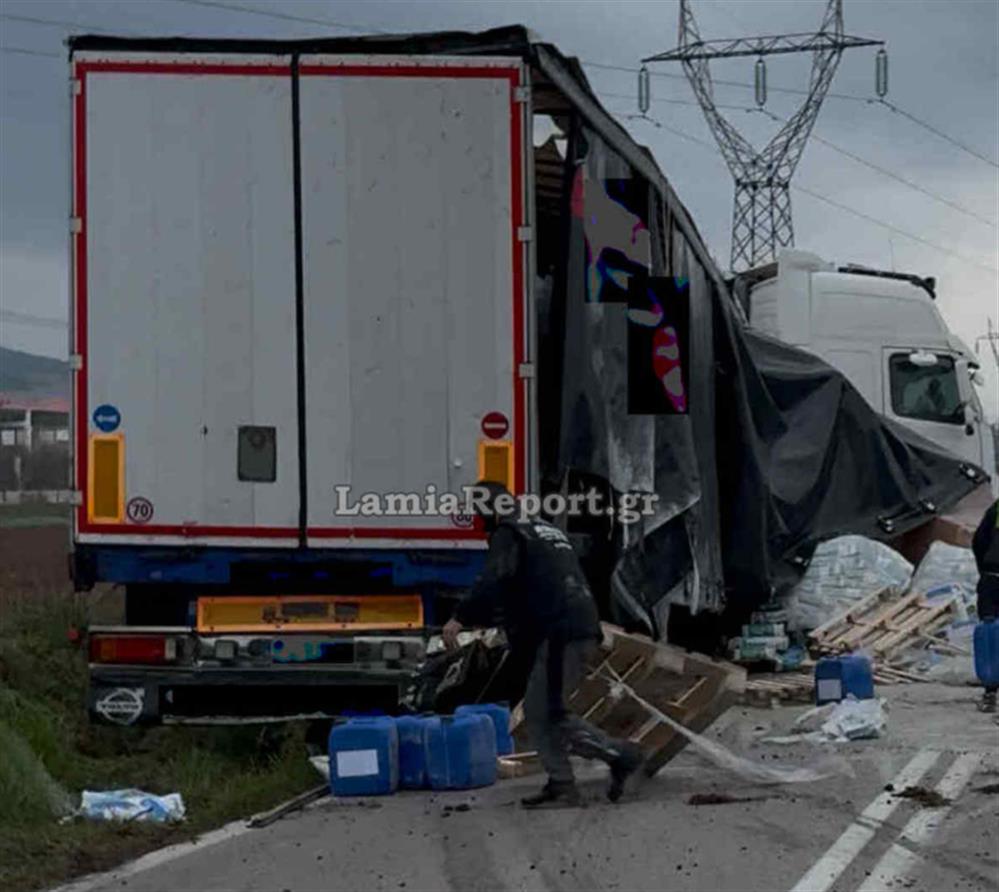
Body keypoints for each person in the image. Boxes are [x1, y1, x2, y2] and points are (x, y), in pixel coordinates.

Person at [443, 481, 644, 807]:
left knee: (546, 712)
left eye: (478, 512)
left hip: (559, 632)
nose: (477, 520)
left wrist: (459, 618)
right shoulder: (544, 529)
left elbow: (495, 578)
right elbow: (539, 580)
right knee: (543, 711)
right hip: (576, 626)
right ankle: (566, 780)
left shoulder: (509, 532)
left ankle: (617, 756)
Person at [972, 497, 999, 713]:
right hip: (991, 576)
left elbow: (979, 540)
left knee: (990, 633)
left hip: (991, 577)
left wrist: (985, 570)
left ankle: (990, 693)